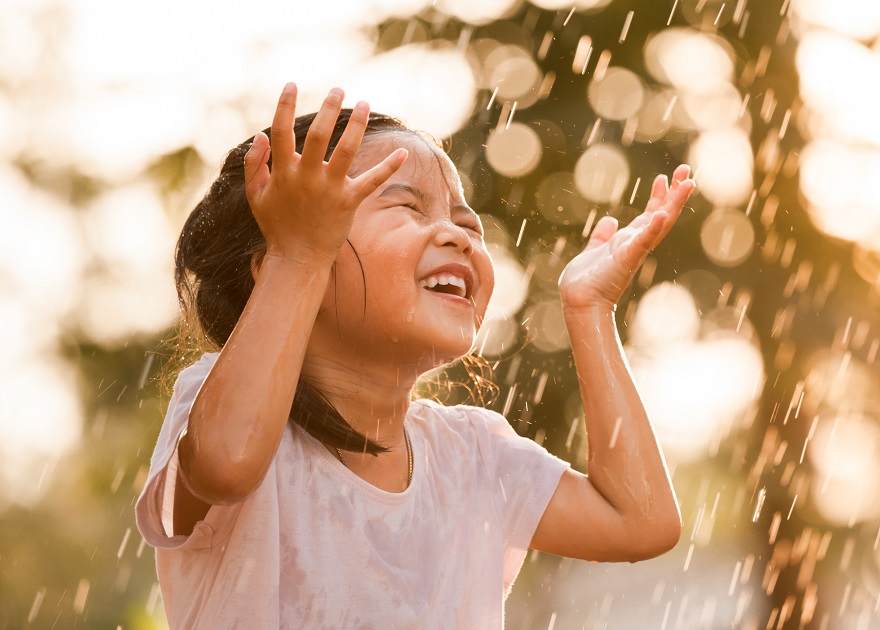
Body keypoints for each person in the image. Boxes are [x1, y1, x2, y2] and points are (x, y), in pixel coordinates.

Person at [133, 83, 696, 628]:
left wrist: (590, 310)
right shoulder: (223, 408)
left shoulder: (473, 457)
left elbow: (640, 522)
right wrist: (299, 254)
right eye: (407, 207)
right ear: (275, 264)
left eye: (466, 222)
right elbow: (226, 467)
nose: (458, 236)